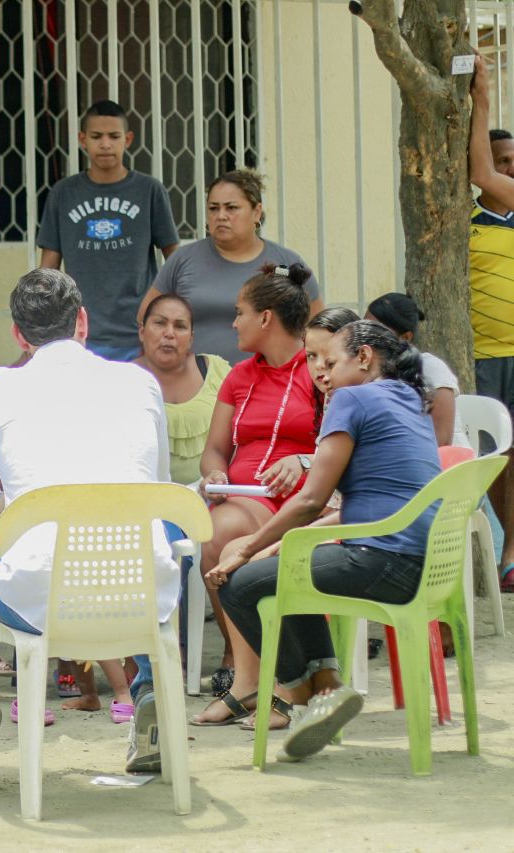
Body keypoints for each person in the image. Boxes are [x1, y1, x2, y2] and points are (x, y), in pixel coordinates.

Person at [0, 268, 177, 783]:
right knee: (160, 535)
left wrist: (3, 507)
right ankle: (151, 693)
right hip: (139, 592)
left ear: (19, 336)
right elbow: (158, 489)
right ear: (82, 322)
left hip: (36, 599)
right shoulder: (139, 383)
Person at [207, 321, 441, 760]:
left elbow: (311, 500)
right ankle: (328, 686)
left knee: (239, 585)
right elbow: (352, 507)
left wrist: (248, 547)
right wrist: (274, 545)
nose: (323, 374)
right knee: (291, 570)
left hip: (378, 559)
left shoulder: (351, 398)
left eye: (331, 362)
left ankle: (302, 692)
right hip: (418, 562)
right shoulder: (409, 397)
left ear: (365, 358)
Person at [191, 264, 322, 710]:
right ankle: (251, 672)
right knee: (219, 531)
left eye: (239, 312)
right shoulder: (239, 376)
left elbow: (344, 445)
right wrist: (215, 475)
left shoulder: (318, 371)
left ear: (266, 318)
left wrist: (303, 460)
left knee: (225, 536)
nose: (233, 323)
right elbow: (214, 450)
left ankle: (255, 676)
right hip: (244, 498)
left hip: (301, 504)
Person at [38, 99, 180, 361]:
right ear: (82, 139)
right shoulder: (63, 193)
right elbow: (48, 271)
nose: (105, 144)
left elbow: (175, 261)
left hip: (139, 335)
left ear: (128, 139)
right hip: (78, 334)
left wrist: (166, 318)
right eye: (96, 136)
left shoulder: (149, 191)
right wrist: (41, 329)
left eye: (113, 136)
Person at [138, 171, 323, 364]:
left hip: (266, 383)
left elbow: (317, 327)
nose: (221, 216)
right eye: (213, 208)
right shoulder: (182, 260)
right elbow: (147, 317)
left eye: (231, 208)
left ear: (256, 212)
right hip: (194, 385)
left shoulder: (284, 264)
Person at [469, 59, 514, 591]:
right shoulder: (463, 221)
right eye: (502, 161)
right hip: (482, 354)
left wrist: (483, 96)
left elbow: (484, 174)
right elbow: (478, 175)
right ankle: (487, 556)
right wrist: (479, 103)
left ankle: (508, 557)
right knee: (486, 460)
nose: (507, 172)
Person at [133, 293, 232, 484]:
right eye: (160, 323)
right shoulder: (123, 379)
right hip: (145, 498)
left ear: (192, 337)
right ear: (142, 331)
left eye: (180, 326)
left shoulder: (217, 371)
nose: (169, 333)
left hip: (215, 493)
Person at [365, 292, 467, 447]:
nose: (366, 338)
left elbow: (442, 441)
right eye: (365, 329)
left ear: (406, 337)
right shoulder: (372, 370)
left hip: (448, 466)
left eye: (376, 333)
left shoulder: (431, 368)